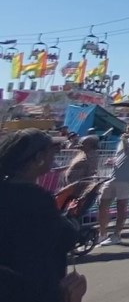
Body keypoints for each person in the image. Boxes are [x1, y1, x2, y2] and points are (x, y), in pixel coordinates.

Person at [0, 129, 87, 302]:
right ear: (38, 157)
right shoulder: (36, 199)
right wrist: (71, 223)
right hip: (31, 286)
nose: (54, 157)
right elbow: (60, 238)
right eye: (51, 152)